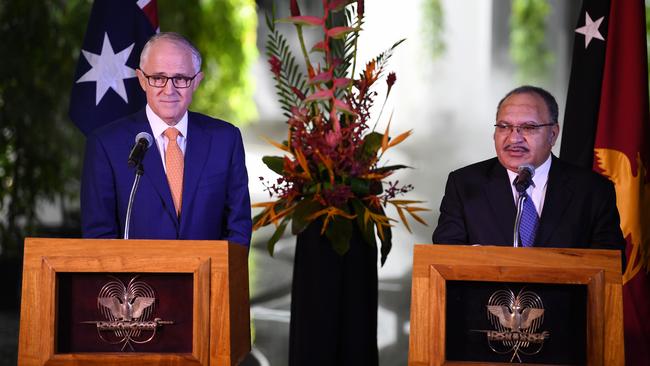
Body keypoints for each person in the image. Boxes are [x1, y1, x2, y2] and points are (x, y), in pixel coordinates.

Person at [81, 32, 251, 246]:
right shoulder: (105, 144)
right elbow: (99, 236)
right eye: (158, 78)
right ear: (142, 80)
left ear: (196, 81)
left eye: (180, 78)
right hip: (136, 279)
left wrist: (219, 277)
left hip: (209, 276)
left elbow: (238, 228)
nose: (169, 90)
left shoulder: (225, 140)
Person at [432, 85, 625, 251]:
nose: (514, 138)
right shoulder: (464, 184)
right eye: (504, 126)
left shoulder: (593, 191)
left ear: (553, 134)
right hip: (490, 296)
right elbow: (445, 258)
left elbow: (611, 264)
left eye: (529, 128)